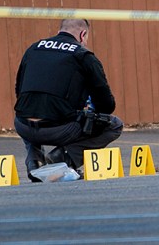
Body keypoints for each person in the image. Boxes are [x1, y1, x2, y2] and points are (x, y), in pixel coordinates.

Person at [14, 19, 123, 182]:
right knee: (114, 125)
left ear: (60, 31)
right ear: (83, 34)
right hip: (60, 130)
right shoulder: (83, 55)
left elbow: (19, 90)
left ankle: (34, 161)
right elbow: (107, 105)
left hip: (23, 126)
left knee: (30, 107)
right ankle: (61, 159)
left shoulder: (33, 49)